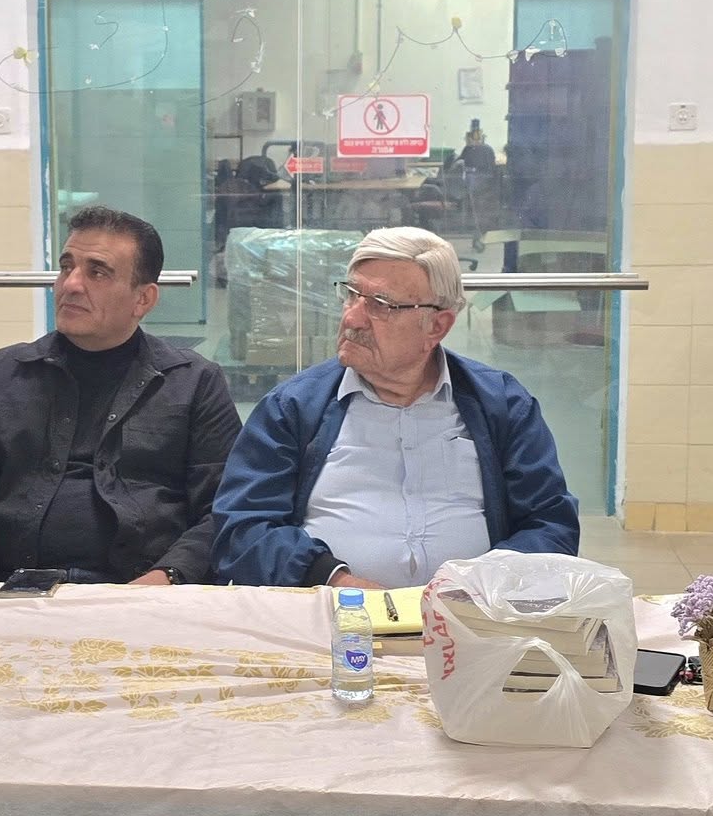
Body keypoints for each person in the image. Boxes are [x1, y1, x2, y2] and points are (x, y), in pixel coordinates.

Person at [214, 227, 579, 587]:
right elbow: (243, 528)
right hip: (332, 613)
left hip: (470, 616)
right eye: (351, 295)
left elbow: (550, 523)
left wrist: (483, 585)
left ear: (436, 326)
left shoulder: (501, 405)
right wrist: (330, 578)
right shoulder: (294, 407)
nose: (352, 319)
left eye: (380, 305)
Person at [0, 206, 240, 585]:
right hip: (11, 586)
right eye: (66, 267)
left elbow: (222, 510)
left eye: (97, 272)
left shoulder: (193, 383)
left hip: (143, 590)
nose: (71, 284)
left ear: (143, 299)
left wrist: (163, 580)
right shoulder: (3, 374)